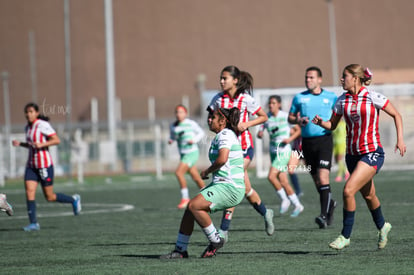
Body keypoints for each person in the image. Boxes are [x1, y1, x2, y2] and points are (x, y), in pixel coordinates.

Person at [312, 64, 406, 250]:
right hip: (352, 156)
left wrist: (400, 140)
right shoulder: (341, 100)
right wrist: (321, 122)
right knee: (369, 195)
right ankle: (382, 226)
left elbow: (396, 115)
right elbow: (332, 124)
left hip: (372, 153)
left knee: (348, 191)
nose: (341, 79)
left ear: (355, 78)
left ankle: (345, 236)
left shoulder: (372, 96)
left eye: (344, 76)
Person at [161, 107, 245, 259]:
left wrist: (206, 172)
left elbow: (222, 159)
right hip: (222, 185)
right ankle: (180, 250)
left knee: (194, 206)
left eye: (213, 117)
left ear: (223, 121)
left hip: (230, 187)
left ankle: (216, 240)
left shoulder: (225, 134)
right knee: (190, 209)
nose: (209, 119)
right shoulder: (221, 135)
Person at [207, 65, 274, 242]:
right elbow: (210, 117)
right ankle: (266, 212)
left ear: (235, 80)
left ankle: (223, 230)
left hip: (243, 148)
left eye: (225, 78)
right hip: (228, 149)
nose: (221, 81)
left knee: (233, 183)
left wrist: (247, 124)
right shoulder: (217, 99)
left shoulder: (246, 99)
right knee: (245, 188)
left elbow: (263, 116)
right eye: (220, 78)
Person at [12, 102, 81, 232]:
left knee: (49, 196)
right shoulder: (27, 127)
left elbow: (56, 140)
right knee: (29, 192)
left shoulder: (42, 125)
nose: (28, 114)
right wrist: (20, 144)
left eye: (31, 112)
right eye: (27, 112)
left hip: (44, 165)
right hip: (31, 165)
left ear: (37, 113)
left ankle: (73, 199)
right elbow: (32, 144)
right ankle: (33, 223)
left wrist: (42, 144)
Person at [288, 66, 338, 229]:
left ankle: (323, 216)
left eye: (311, 77)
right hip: (307, 143)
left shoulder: (330, 97)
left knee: (323, 178)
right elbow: (290, 117)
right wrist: (298, 120)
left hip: (324, 141)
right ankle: (330, 204)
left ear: (319, 79)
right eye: (306, 77)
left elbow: (338, 116)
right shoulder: (299, 98)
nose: (308, 80)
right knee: (317, 181)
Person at [257, 95, 304, 217]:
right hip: (274, 151)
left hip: (283, 151)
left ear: (279, 104)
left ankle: (285, 199)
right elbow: (260, 130)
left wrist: (289, 139)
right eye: (270, 103)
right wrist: (260, 133)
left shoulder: (285, 116)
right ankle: (298, 204)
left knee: (271, 176)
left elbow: (298, 130)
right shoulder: (267, 118)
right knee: (283, 181)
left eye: (273, 103)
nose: (271, 105)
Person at [169, 104, 206, 209]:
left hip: (191, 152)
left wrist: (193, 140)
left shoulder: (190, 124)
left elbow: (201, 133)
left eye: (181, 112)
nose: (178, 114)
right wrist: (171, 140)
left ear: (185, 113)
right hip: (183, 154)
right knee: (195, 176)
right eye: (177, 112)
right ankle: (209, 195)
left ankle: (185, 198)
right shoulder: (174, 126)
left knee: (179, 173)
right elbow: (173, 136)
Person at [288, 124, 304, 197]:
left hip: (307, 148)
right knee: (290, 170)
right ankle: (298, 191)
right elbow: (291, 131)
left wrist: (295, 132)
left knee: (315, 172)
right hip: (297, 149)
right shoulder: (294, 119)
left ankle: (322, 190)